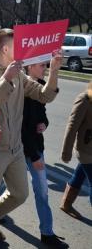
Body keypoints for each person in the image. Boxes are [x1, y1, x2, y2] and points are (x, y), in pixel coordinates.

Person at [0, 28, 61, 248]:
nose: (24, 49)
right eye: (18, 45)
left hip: (16, 149)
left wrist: (55, 69)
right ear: (5, 49)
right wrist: (6, 78)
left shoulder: (20, 75)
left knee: (20, 194)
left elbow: (44, 95)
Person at [21, 62, 68, 248]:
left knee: (42, 191)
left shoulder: (41, 87)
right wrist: (34, 157)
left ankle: (46, 233)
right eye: (42, 65)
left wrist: (44, 124)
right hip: (19, 149)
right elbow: (21, 128)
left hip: (35, 147)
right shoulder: (21, 90)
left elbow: (42, 115)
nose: (45, 68)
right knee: (7, 189)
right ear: (30, 66)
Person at [60, 81, 92, 219]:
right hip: (86, 150)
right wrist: (66, 152)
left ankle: (66, 204)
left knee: (80, 174)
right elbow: (72, 126)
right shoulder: (85, 99)